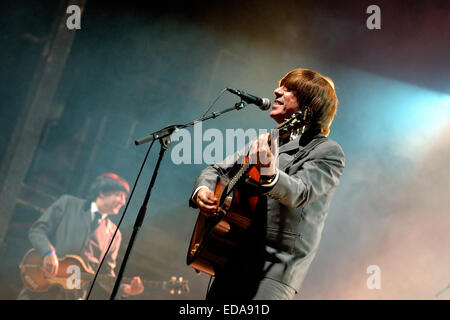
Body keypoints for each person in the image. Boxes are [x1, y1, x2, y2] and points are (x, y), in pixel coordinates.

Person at [189, 68, 345, 300]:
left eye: (289, 89)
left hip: (273, 269)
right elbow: (217, 169)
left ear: (308, 108)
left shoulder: (327, 151)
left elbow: (300, 193)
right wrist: (203, 191)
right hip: (233, 253)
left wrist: (269, 173)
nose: (276, 91)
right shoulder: (269, 140)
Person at [17, 173, 144, 299]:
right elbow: (37, 230)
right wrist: (48, 253)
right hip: (39, 289)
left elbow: (105, 275)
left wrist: (125, 290)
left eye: (124, 197)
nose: (123, 202)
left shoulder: (115, 235)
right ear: (102, 192)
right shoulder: (68, 204)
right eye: (119, 195)